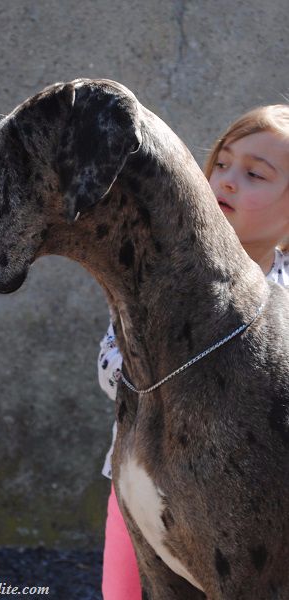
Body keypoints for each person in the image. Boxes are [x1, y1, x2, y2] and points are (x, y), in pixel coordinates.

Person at [98, 104, 289, 600]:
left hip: (255, 509)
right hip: (144, 489)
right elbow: (109, 365)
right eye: (221, 163)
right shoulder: (158, 277)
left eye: (254, 174)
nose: (225, 180)